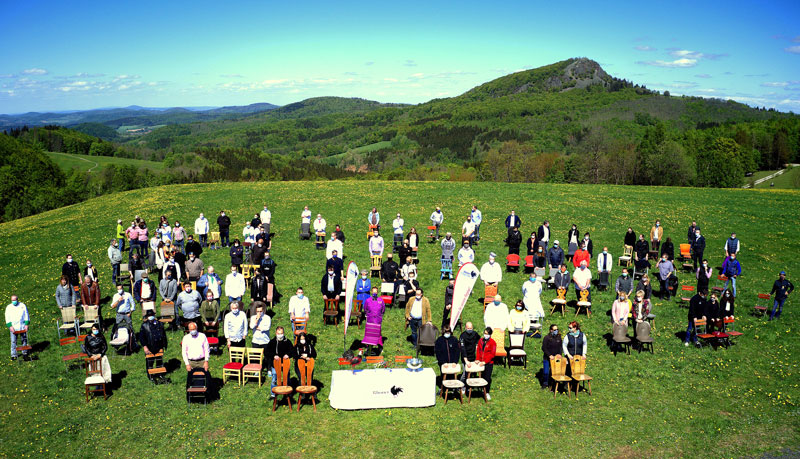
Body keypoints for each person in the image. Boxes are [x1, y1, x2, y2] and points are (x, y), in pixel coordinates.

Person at [266, 327, 295, 396]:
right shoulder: (272, 342)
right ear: (276, 333)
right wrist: (273, 356)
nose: (280, 335)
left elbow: (292, 351)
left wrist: (288, 355)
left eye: (281, 333)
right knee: (274, 378)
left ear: (283, 333)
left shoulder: (287, 342)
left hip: (285, 363)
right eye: (278, 333)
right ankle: (273, 393)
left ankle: (289, 392)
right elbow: (267, 352)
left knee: (287, 378)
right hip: (275, 364)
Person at [181, 322, 210, 388]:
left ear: (196, 328)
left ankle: (207, 393)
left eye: (193, 329)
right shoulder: (186, 338)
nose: (192, 331)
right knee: (191, 380)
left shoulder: (202, 336)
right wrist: (187, 364)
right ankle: (191, 394)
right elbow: (184, 352)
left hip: (202, 361)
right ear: (188, 330)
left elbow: (206, 349)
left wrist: (206, 361)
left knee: (206, 378)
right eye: (191, 329)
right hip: (191, 362)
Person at [5, 296, 29, 360]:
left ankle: (25, 353)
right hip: (13, 327)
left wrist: (26, 324)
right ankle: (13, 354)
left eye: (14, 300)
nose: (14, 301)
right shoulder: (9, 307)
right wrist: (10, 326)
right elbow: (7, 317)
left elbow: (26, 314)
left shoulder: (22, 305)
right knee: (13, 341)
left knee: (24, 339)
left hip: (22, 325)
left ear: (17, 299)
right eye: (12, 300)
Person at [475, 326, 495, 400]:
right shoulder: (480, 341)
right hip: (481, 362)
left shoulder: (493, 343)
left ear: (490, 334)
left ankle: (487, 392)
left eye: (487, 334)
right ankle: (481, 390)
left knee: (487, 378)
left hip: (488, 363)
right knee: (482, 376)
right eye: (484, 333)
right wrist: (477, 359)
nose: (485, 335)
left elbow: (492, 354)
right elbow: (478, 351)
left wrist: (485, 362)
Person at [458, 322, 480, 386]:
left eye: (471, 328)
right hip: (465, 357)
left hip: (473, 356)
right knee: (465, 373)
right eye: (468, 328)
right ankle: (461, 385)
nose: (469, 329)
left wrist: (477, 345)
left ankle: (470, 386)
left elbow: (479, 340)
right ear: (465, 328)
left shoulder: (475, 334)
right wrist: (466, 360)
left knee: (473, 372)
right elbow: (463, 349)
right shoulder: (462, 336)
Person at [541, 324, 561, 389]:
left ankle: (553, 384)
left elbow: (560, 347)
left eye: (557, 329)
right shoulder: (546, 338)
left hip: (556, 358)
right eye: (555, 330)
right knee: (546, 372)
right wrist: (549, 355)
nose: (556, 331)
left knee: (555, 371)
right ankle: (545, 383)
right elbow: (544, 348)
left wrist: (559, 354)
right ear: (551, 330)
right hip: (547, 358)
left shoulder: (559, 337)